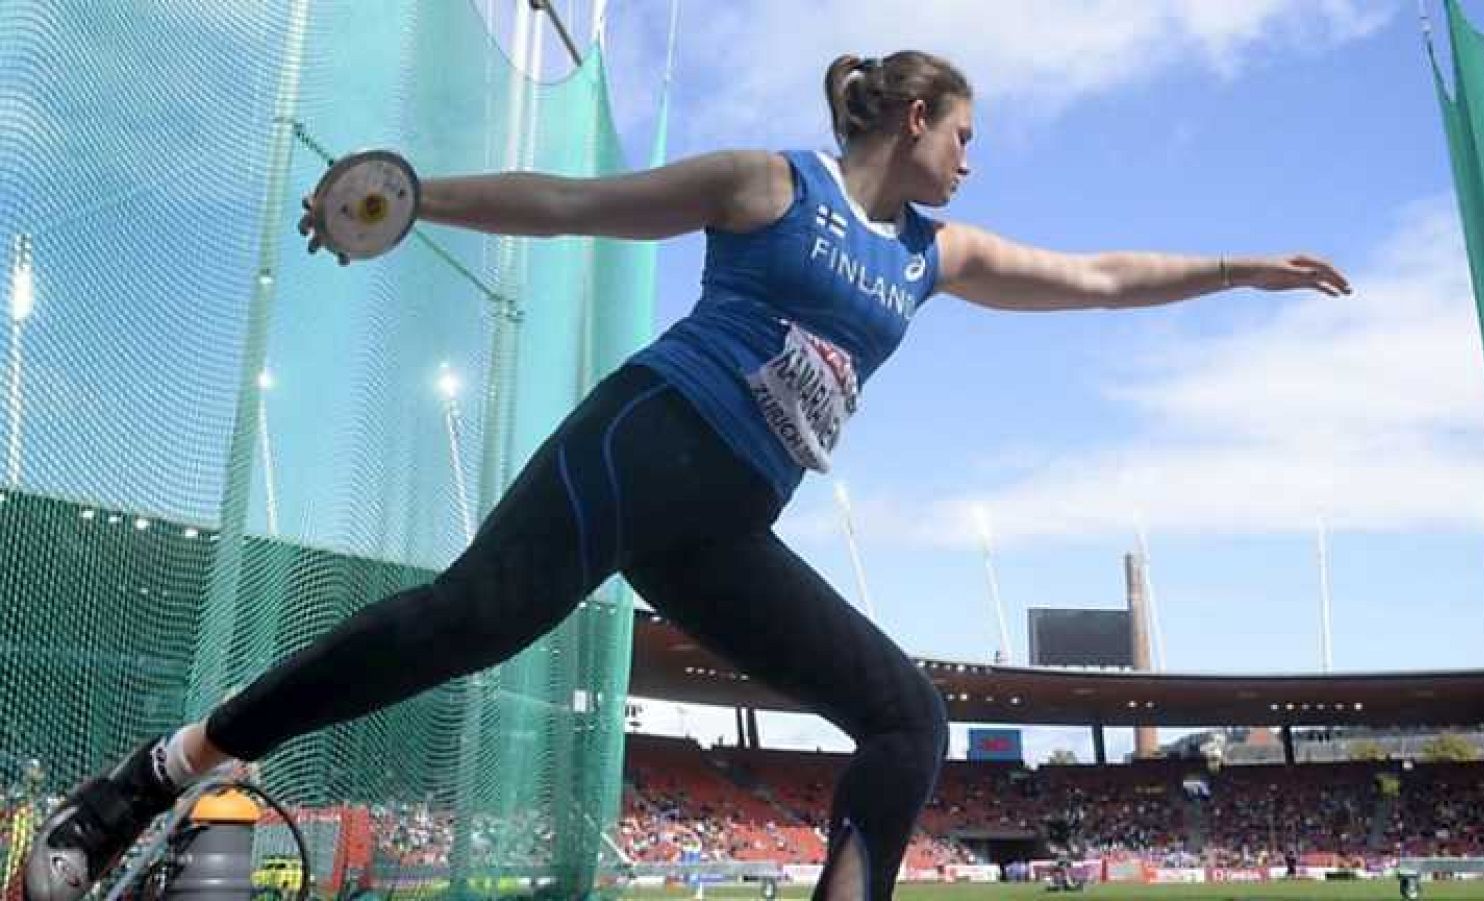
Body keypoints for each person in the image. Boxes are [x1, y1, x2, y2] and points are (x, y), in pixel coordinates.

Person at [24, 49, 1351, 901]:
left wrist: (1240, 267)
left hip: (726, 525)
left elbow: (1102, 279)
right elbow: (573, 204)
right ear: (913, 114)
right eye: (966, 131)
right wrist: (418, 196)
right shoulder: (770, 182)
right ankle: (147, 775)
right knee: (455, 626)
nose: (973, 157)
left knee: (905, 717)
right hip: (647, 438)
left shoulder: (932, 256)